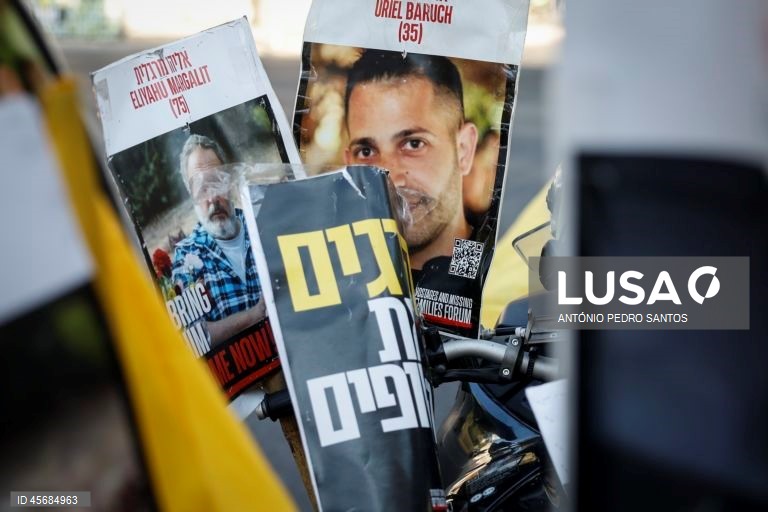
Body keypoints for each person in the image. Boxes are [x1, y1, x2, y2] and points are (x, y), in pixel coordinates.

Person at [343, 50, 479, 271]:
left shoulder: (499, 271)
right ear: (349, 166)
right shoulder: (335, 279)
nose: (392, 179)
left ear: (463, 150)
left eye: (413, 144)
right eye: (367, 152)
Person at [172, 134, 265, 346]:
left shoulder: (261, 223)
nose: (212, 197)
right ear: (191, 194)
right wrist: (254, 315)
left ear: (230, 182)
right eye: (203, 188)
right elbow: (195, 337)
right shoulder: (187, 255)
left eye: (217, 182)